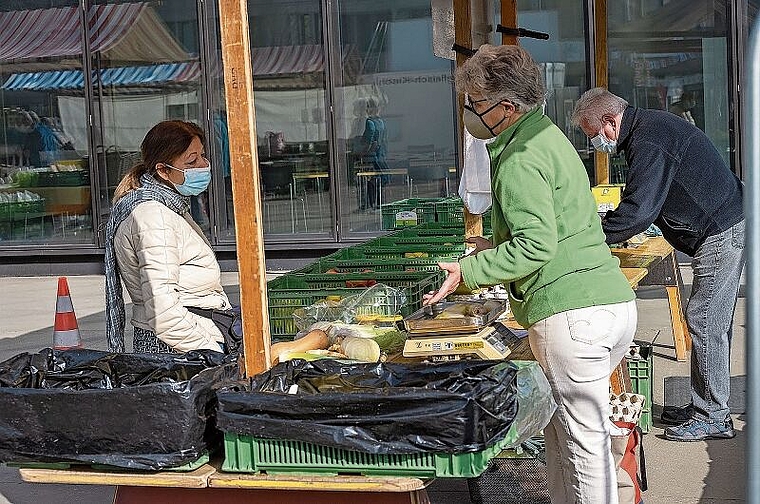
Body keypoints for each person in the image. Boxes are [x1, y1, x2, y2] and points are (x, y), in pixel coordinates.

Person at [424, 45, 637, 504]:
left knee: (585, 449)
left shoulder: (519, 156)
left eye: (475, 104)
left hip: (572, 313)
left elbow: (537, 246)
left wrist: (467, 270)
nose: (469, 112)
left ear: (506, 107)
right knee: (567, 442)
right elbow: (552, 226)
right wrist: (494, 246)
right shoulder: (547, 136)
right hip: (606, 303)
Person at [571, 87, 745, 442]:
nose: (595, 144)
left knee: (705, 321)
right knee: (708, 320)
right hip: (720, 224)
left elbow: (638, 209)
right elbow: (647, 199)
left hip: (720, 230)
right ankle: (706, 403)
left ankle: (713, 414)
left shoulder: (648, 139)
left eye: (593, 134)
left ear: (609, 120)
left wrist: (589, 239)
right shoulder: (647, 130)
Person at [104, 120, 234, 354]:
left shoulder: (171, 206)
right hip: (177, 350)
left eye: (203, 156)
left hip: (189, 340)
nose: (204, 165)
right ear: (163, 170)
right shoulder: (154, 218)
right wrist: (210, 351)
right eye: (192, 161)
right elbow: (164, 313)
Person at [358, 98, 388, 210]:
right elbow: (384, 138)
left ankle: (369, 203)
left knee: (369, 179)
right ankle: (378, 202)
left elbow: (369, 139)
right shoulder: (381, 121)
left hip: (371, 154)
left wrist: (363, 150)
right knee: (377, 178)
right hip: (380, 154)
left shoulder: (370, 122)